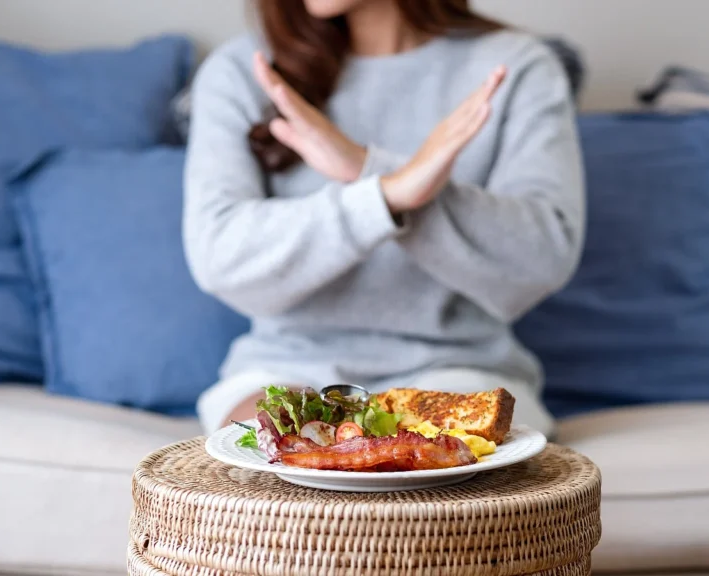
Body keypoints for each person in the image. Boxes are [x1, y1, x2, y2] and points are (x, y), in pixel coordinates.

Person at [183, 0, 585, 438]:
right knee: (260, 458)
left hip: (460, 368)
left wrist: (364, 167)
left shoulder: (516, 67)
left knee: (433, 480)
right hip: (280, 368)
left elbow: (543, 257)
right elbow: (219, 255)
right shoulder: (242, 72)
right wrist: (383, 193)